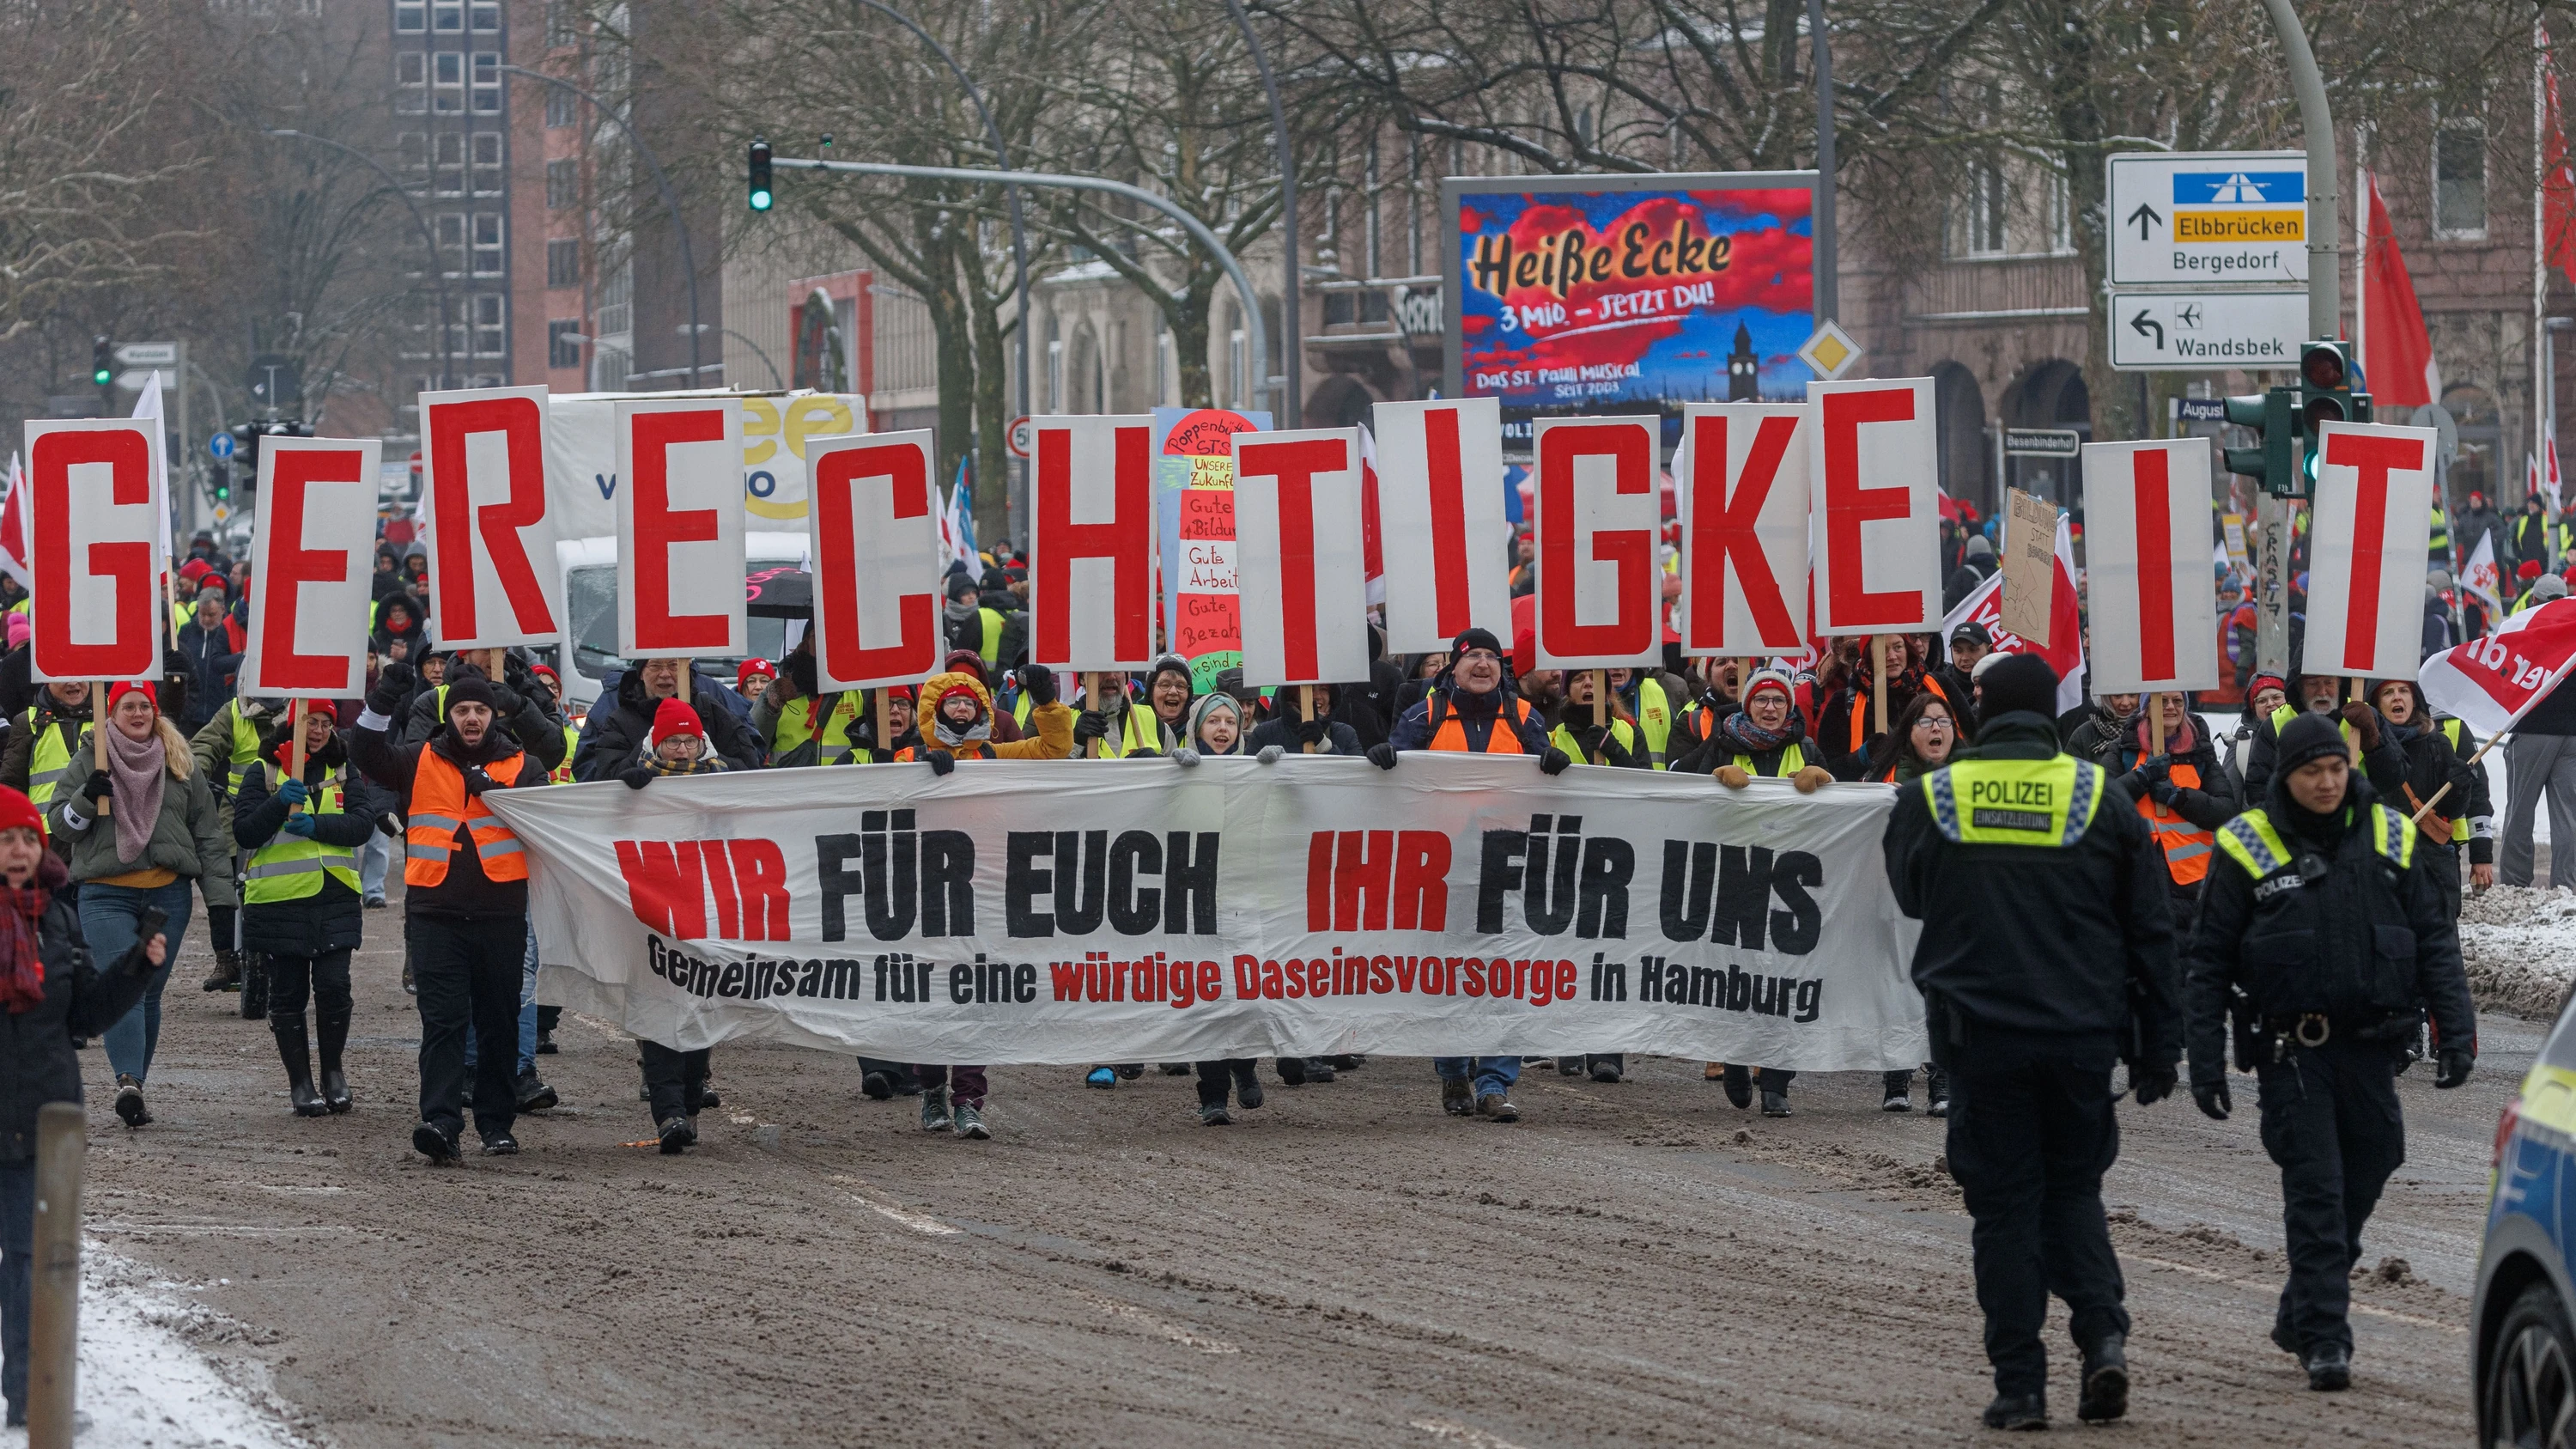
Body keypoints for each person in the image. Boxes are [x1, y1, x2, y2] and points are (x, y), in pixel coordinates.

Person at [1883, 654, 2180, 1430]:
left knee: (2007, 1212)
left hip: (1981, 1038)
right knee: (2074, 1191)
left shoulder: (1937, 794)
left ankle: (2020, 1386)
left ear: (1982, 705)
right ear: (2054, 708)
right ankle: (2103, 1335)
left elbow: (1909, 893)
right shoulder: (2102, 798)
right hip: (2082, 1034)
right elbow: (2149, 925)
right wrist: (2160, 1042)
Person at [2184, 712, 2476, 1391]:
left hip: (2374, 1045)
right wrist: (2202, 1054)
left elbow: (2432, 937)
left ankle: (2300, 1305)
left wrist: (2455, 1028)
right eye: (2312, 771)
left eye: (2335, 769)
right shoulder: (2248, 841)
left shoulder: (2389, 832)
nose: (2325, 781)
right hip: (2294, 1050)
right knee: (2316, 1190)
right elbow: (2208, 958)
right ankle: (2324, 1335)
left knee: (2376, 1157)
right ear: (2287, 776)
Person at [350, 662, 568, 1160]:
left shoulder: (523, 765)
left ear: (495, 717)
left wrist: (492, 790)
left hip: (501, 917)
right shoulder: (416, 759)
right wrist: (382, 701)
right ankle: (441, 1122)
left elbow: (544, 825)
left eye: (481, 710)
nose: (472, 718)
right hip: (435, 915)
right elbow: (364, 753)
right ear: (449, 716)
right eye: (463, 710)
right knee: (443, 1024)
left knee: (498, 1024)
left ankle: (496, 1124)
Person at [0, 784, 161, 1428]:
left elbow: (87, 1013)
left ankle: (27, 1398)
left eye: (27, 839)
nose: (18, 851)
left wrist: (136, 966)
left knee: (31, 1267)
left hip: (41, 1117)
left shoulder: (58, 917)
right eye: (6, 839)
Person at [1372, 628, 1557, 1120]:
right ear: (1452, 667)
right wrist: (1384, 760)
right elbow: (1393, 767)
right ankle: (1454, 1070)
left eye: (1491, 656)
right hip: (1443, 869)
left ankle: (1495, 1084)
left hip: (1506, 865)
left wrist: (1558, 763)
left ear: (1502, 667)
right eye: (1471, 655)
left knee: (1507, 977)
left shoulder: (1523, 717)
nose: (1482, 663)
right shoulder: (1424, 715)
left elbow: (1554, 777)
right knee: (1446, 975)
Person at [890, 665, 1073, 1137]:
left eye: (969, 702)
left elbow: (1054, 748)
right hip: (928, 895)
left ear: (982, 709)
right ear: (935, 709)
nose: (960, 708)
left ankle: (969, 1099)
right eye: (951, 702)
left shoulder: (995, 753)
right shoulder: (909, 753)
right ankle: (931, 1090)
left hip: (986, 892)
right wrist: (921, 770)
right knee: (928, 999)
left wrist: (1048, 704)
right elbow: (888, 796)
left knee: (977, 999)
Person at [49, 681, 232, 1129]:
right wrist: (86, 799)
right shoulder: (90, 758)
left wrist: (222, 902)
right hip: (105, 892)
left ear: (155, 711)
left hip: (168, 894)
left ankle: (137, 1086)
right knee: (125, 988)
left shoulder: (179, 761)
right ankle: (127, 1080)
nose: (137, 714)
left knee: (149, 992)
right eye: (127, 706)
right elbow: (60, 827)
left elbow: (208, 835)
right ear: (110, 713)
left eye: (144, 706)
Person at [1673, 667, 1835, 1114]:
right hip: (1735, 877)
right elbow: (1680, 787)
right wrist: (1715, 774)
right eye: (1761, 700)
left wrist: (1822, 779)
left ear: (1789, 707)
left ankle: (1778, 1084)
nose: (1770, 708)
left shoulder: (1805, 748)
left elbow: (1838, 815)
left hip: (1789, 884)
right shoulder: (1722, 741)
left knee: (1787, 980)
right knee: (1735, 978)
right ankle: (1737, 1059)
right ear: (1747, 706)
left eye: (1778, 701)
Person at [234, 701, 389, 1117]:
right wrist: (277, 804)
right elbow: (245, 830)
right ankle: (301, 1084)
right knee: (288, 993)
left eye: (325, 723)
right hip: (279, 901)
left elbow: (362, 824)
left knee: (335, 985)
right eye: (309, 721)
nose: (318, 730)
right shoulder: (264, 771)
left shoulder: (343, 770)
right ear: (292, 723)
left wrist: (316, 825)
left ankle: (333, 1072)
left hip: (334, 896)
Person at [616, 697, 730, 1152]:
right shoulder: (633, 778)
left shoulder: (725, 781)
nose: (681, 750)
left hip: (705, 913)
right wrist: (626, 792)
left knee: (698, 1009)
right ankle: (668, 1114)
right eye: (672, 742)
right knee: (659, 1011)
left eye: (689, 741)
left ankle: (690, 1104)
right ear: (656, 744)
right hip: (652, 911)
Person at [1170, 692, 1284, 1123]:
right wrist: (1170, 778)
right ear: (1196, 728)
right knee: (1209, 999)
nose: (1222, 729)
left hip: (1248, 899)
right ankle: (1213, 1095)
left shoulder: (1258, 771)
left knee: (1250, 993)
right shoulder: (1180, 771)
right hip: (1199, 903)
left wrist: (1285, 771)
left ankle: (1245, 1065)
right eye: (1213, 721)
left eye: (1230, 723)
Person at [2084, 693, 2239, 927]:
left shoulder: (2200, 751)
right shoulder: (2123, 749)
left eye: (2177, 701)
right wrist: (2141, 777)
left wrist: (2179, 797)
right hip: (2135, 875)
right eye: (2162, 701)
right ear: (2146, 708)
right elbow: (2102, 804)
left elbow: (2226, 812)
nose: (2170, 707)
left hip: (2192, 882)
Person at [2372, 678, 2491, 920]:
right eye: (2387, 693)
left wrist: (2460, 786)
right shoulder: (2365, 743)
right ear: (2376, 703)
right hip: (2381, 857)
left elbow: (2457, 807)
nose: (2397, 697)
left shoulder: (2438, 742)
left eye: (2404, 691)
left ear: (2415, 699)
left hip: (2434, 857)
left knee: (2439, 935)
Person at [574, 655, 761, 778]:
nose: (665, 674)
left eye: (673, 665)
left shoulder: (712, 711)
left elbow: (749, 769)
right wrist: (634, 770)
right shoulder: (617, 720)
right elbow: (594, 775)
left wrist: (706, 760)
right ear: (640, 673)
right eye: (655, 666)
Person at [2501, 664, 2576, 891]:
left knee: (2519, 812)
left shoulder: (2535, 628)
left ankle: (2515, 886)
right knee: (2569, 817)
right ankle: (2568, 888)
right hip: (2572, 729)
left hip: (2534, 725)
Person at [173, 589, 242, 735]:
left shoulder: (232, 633)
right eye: (201, 614)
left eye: (211, 614)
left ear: (223, 609)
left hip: (221, 715)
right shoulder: (186, 632)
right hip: (190, 716)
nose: (205, 619)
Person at [1944, 533, 1997, 611]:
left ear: (1969, 552)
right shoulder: (1997, 574)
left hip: (1968, 621)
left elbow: (1949, 603)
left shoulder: (1961, 576)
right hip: (1992, 620)